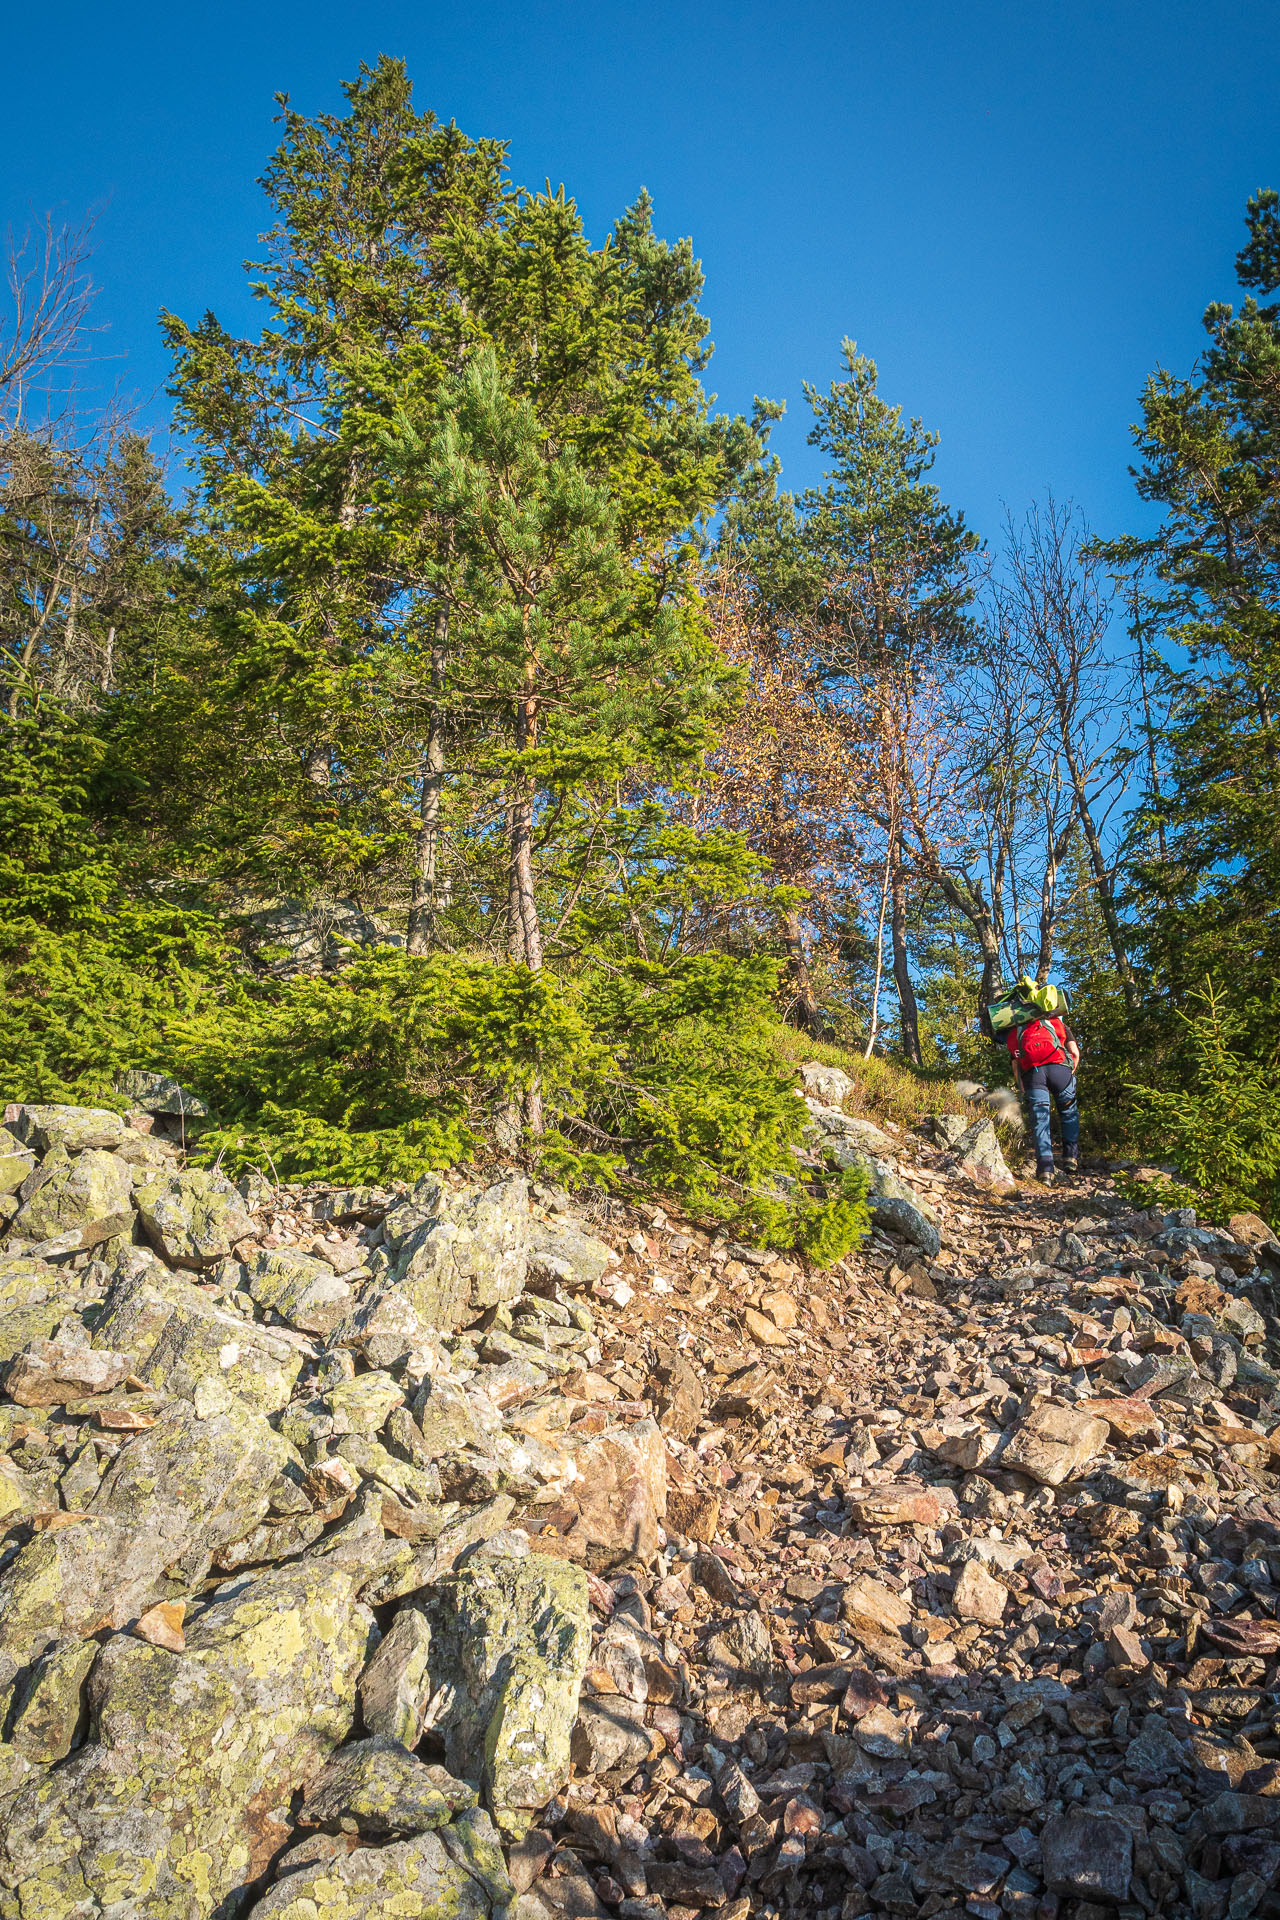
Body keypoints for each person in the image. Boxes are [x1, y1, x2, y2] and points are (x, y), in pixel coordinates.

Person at [1002, 1003, 1082, 1184]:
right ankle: (1071, 1159)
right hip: (1060, 1071)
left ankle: (1045, 1171)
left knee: (1040, 1120)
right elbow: (1074, 1053)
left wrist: (1022, 1085)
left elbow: (1016, 1063)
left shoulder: (1016, 1031)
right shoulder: (1056, 1023)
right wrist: (1070, 1072)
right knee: (1068, 1113)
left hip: (1034, 1075)